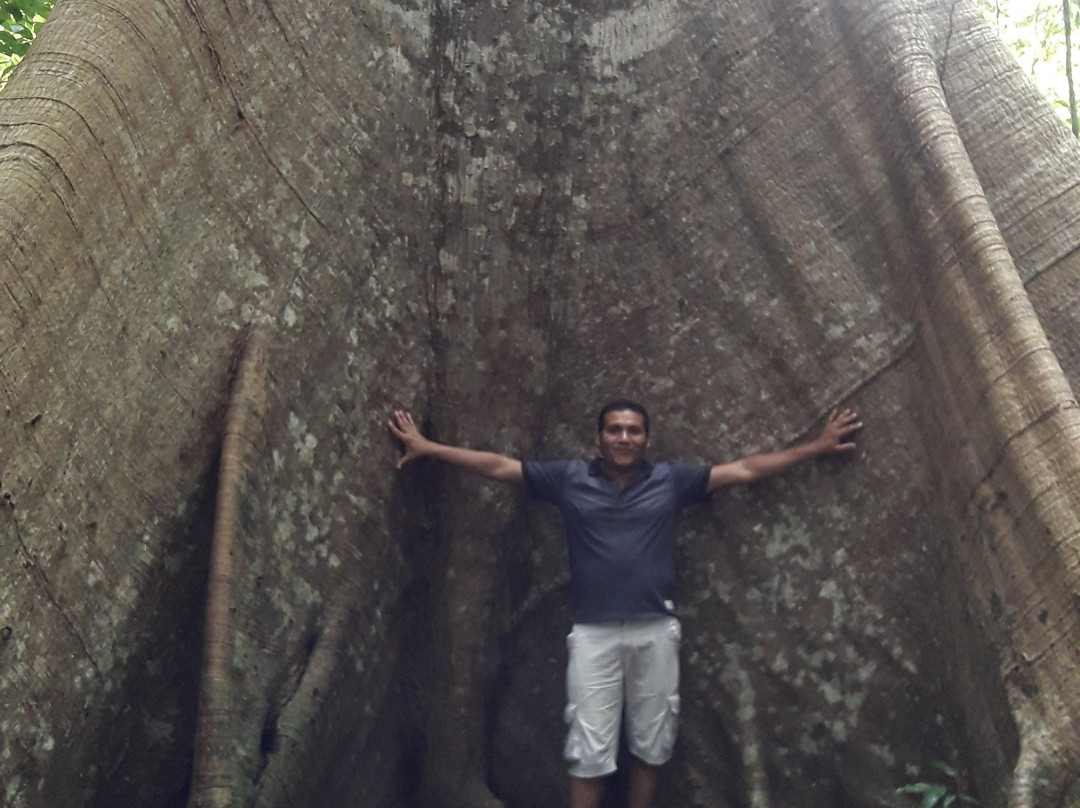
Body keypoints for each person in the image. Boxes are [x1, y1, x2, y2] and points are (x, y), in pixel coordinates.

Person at [388, 400, 861, 808]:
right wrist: (429, 447)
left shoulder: (670, 481)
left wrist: (816, 447)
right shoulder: (569, 479)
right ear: (598, 438)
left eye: (633, 430)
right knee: (587, 745)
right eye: (614, 429)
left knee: (652, 741)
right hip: (594, 634)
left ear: (647, 439)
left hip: (655, 629)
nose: (624, 437)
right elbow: (499, 466)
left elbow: (744, 469)